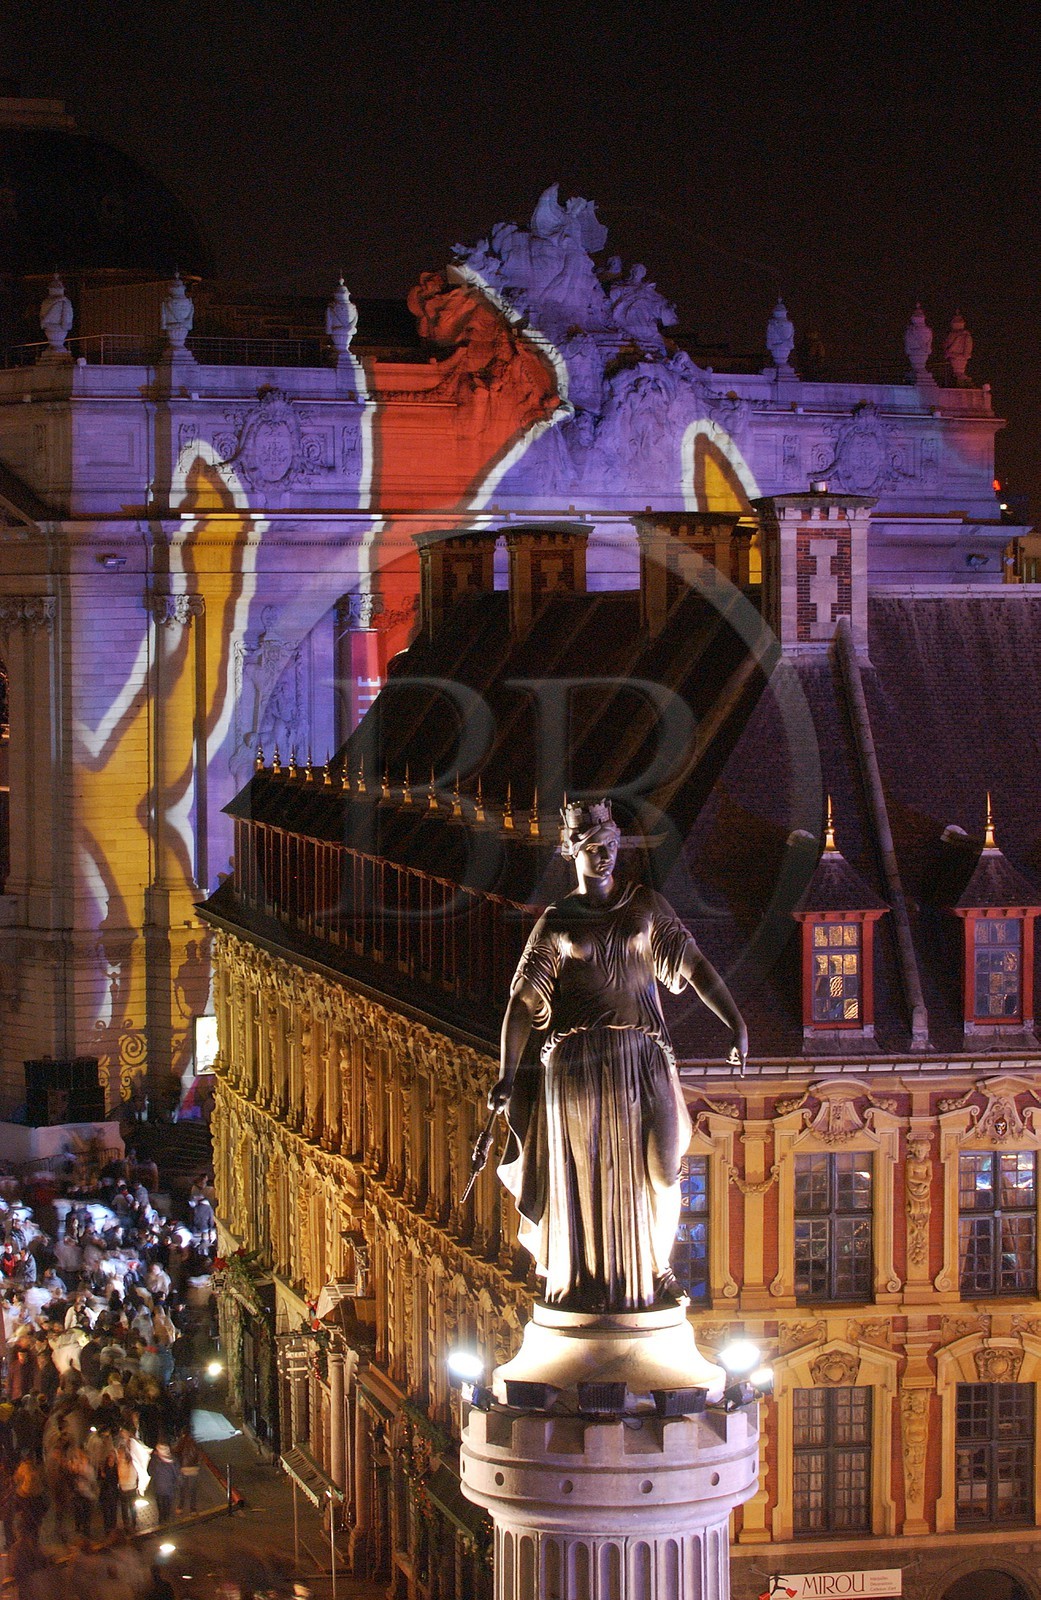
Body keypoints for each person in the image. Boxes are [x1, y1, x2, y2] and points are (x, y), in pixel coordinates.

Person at [490, 798, 747, 1313]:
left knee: (666, 1167)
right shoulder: (558, 921)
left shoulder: (646, 907)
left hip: (644, 1054)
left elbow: (695, 967)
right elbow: (522, 1003)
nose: (603, 856)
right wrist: (506, 1070)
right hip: (578, 1066)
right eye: (591, 848)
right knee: (586, 1178)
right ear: (572, 853)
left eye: (609, 846)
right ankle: (581, 1279)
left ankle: (658, 1265)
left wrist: (735, 1022)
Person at [148, 1441, 180, 1523]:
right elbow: (177, 1475)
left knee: (160, 1505)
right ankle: (166, 1519)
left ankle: (161, 1520)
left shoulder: (155, 1460)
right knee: (167, 1505)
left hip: (158, 1488)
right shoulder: (173, 1461)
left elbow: (149, 1471)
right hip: (169, 1489)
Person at [173, 1425, 201, 1512]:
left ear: (183, 1433)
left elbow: (175, 1452)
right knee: (192, 1490)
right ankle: (193, 1509)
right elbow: (199, 1456)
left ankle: (180, 1506)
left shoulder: (181, 1441)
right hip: (194, 1469)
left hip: (183, 1469)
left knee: (182, 1489)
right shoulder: (195, 1442)